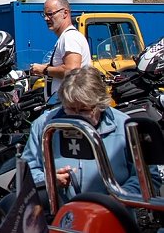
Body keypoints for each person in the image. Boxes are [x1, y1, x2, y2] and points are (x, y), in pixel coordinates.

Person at [17, 66, 159, 209]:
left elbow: (148, 178)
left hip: (112, 217)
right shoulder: (44, 125)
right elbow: (26, 175)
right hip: (62, 218)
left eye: (84, 110)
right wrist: (49, 179)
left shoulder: (124, 125)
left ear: (100, 105)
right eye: (71, 108)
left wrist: (118, 199)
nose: (77, 115)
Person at [30, 0, 91, 99]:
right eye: (44, 15)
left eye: (50, 14)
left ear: (65, 13)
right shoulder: (67, 37)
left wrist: (44, 70)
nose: (46, 18)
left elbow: (72, 70)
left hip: (68, 105)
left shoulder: (70, 37)